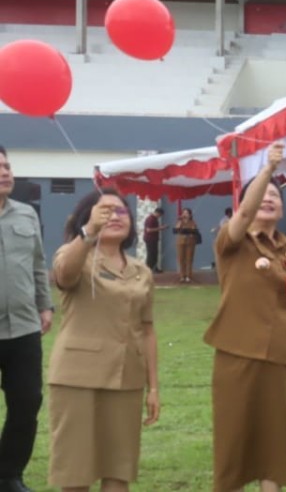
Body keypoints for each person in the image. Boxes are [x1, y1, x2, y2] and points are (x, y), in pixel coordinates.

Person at [204, 142, 286, 492]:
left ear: (284, 209)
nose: (269, 199)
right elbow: (242, 216)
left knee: (275, 441)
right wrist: (267, 170)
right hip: (237, 353)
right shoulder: (232, 242)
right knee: (233, 441)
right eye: (261, 194)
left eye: (276, 196)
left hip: (279, 355)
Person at [48, 189, 160, 491]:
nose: (115, 215)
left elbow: (147, 329)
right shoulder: (75, 255)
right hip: (77, 377)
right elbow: (63, 275)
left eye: (122, 211)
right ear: (88, 217)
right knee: (76, 470)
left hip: (127, 378)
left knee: (118, 468)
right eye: (105, 210)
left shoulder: (141, 271)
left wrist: (154, 387)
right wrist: (87, 234)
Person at [0, 145, 53, 492]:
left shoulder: (26, 214)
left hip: (22, 326)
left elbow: (37, 262)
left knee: (27, 399)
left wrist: (45, 304)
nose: (5, 172)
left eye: (6, 166)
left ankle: (8, 474)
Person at [173, 208, 200, 284]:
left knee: (189, 259)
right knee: (181, 259)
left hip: (190, 242)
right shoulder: (180, 221)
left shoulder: (192, 222)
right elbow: (176, 229)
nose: (185, 214)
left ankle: (188, 276)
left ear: (190, 214)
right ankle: (182, 276)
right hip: (180, 241)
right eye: (184, 213)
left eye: (187, 213)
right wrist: (180, 220)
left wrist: (190, 232)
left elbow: (194, 230)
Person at [142, 207, 164, 273]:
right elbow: (148, 230)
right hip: (150, 239)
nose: (159, 217)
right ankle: (148, 269)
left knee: (154, 254)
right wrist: (160, 228)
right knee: (151, 255)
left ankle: (154, 268)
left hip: (154, 239)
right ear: (158, 213)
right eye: (160, 215)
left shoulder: (154, 219)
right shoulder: (150, 219)